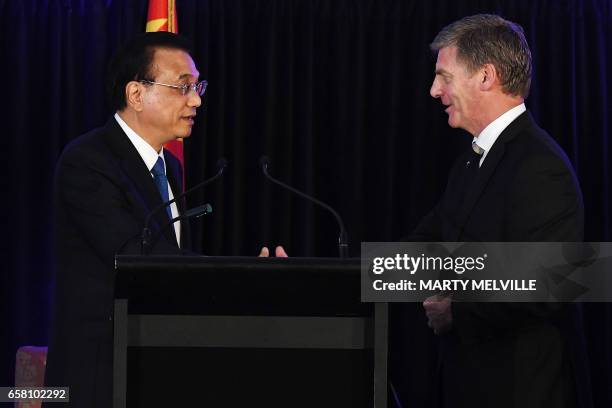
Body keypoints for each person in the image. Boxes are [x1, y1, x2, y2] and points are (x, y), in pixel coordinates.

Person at [44, 32, 285, 408]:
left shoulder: (168, 166)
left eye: (197, 86)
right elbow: (136, 257)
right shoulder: (88, 161)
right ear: (136, 94)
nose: (197, 100)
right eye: (183, 87)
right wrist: (244, 273)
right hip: (99, 375)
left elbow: (169, 271)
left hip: (155, 365)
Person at [411, 14, 590, 408]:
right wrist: (311, 272)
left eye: (444, 76)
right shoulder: (470, 163)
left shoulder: (540, 166)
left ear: (486, 76)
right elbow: (421, 248)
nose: (433, 90)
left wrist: (455, 310)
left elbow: (546, 285)